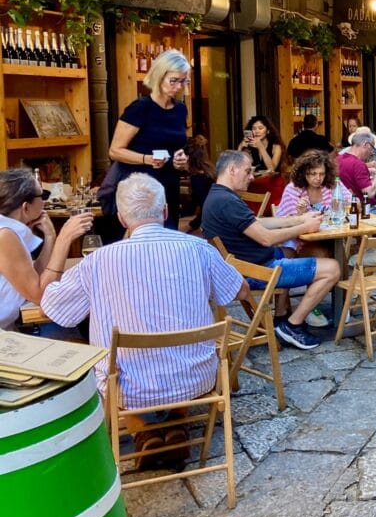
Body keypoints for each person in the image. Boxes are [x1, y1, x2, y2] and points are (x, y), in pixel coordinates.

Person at [41, 173, 246, 468]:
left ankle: (143, 432)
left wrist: (58, 242)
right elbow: (237, 290)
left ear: (122, 219)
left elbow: (54, 308)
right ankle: (174, 426)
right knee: (169, 353)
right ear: (164, 212)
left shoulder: (98, 261)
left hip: (129, 388)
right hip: (198, 378)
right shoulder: (199, 249)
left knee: (107, 357)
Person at [202, 150, 340, 350]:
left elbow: (257, 222)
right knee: (333, 268)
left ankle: (280, 315)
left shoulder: (218, 196)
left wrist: (297, 219)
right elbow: (266, 239)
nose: (252, 176)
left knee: (289, 251)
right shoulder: (227, 201)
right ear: (232, 170)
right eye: (248, 171)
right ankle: (293, 325)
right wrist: (304, 228)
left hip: (243, 265)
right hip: (257, 271)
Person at [0, 169, 93, 329]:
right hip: (6, 334)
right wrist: (64, 239)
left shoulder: (8, 229)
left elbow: (35, 279)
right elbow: (41, 296)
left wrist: (50, 237)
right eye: (43, 196)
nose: (45, 203)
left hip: (10, 327)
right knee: (73, 327)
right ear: (26, 207)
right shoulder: (5, 235)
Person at [109, 49, 190, 227]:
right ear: (159, 76)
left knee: (168, 238)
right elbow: (115, 151)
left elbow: (178, 146)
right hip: (141, 189)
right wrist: (147, 159)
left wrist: (181, 160)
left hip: (169, 185)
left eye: (183, 81)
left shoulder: (180, 109)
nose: (178, 87)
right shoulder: (140, 108)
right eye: (173, 81)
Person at [337, 133, 376, 205]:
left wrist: (369, 170)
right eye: (372, 148)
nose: (371, 153)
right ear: (366, 145)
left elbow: (350, 173)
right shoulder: (358, 164)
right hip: (364, 209)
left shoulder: (338, 159)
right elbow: (370, 193)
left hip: (345, 207)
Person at [183, 135, 216, 233]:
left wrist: (191, 225)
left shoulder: (197, 178)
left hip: (209, 224)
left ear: (187, 157)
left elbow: (205, 206)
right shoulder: (208, 172)